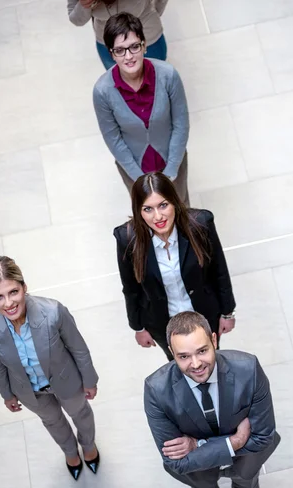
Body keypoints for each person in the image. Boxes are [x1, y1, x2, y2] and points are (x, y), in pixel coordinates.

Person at [144, 311, 280, 488]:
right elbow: (176, 461)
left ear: (214, 340)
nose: (195, 364)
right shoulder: (156, 390)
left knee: (247, 482)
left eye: (202, 351)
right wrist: (234, 441)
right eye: (183, 357)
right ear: (172, 355)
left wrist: (198, 445)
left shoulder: (248, 369)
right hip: (209, 463)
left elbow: (262, 436)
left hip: (246, 456)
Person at [114, 172, 236, 361]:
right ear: (138, 210)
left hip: (204, 314)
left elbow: (219, 271)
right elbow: (131, 289)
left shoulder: (200, 224)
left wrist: (227, 312)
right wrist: (138, 327)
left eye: (163, 205)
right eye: (148, 209)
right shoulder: (127, 239)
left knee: (211, 361)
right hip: (163, 323)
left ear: (174, 202)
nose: (158, 216)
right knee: (180, 366)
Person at [0, 256, 100, 480]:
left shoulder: (53, 311)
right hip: (30, 391)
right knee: (52, 422)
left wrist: (89, 380)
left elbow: (79, 349)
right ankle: (70, 452)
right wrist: (7, 394)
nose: (8, 303)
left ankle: (89, 446)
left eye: (13, 292)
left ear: (24, 287)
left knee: (80, 414)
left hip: (67, 382)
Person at [93, 13, 190, 204]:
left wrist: (171, 171)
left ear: (144, 45)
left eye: (134, 47)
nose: (128, 56)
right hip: (134, 170)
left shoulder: (168, 75)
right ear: (112, 54)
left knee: (182, 211)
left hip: (173, 163)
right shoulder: (102, 91)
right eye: (120, 50)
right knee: (149, 221)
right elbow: (113, 139)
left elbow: (181, 124)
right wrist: (140, 180)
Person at [67, 0, 168, 69]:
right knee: (121, 90)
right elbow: (76, 19)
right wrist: (84, 5)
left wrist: (153, 11)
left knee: (157, 85)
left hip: (148, 37)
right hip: (108, 43)